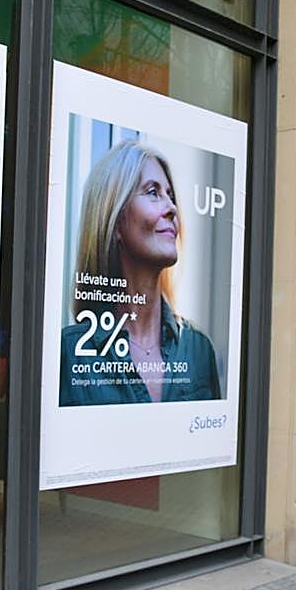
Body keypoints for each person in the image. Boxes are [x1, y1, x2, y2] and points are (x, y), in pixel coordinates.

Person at [59, 139, 221, 406]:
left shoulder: (199, 348)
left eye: (170, 195)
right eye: (153, 192)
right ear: (115, 220)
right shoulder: (69, 354)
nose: (172, 208)